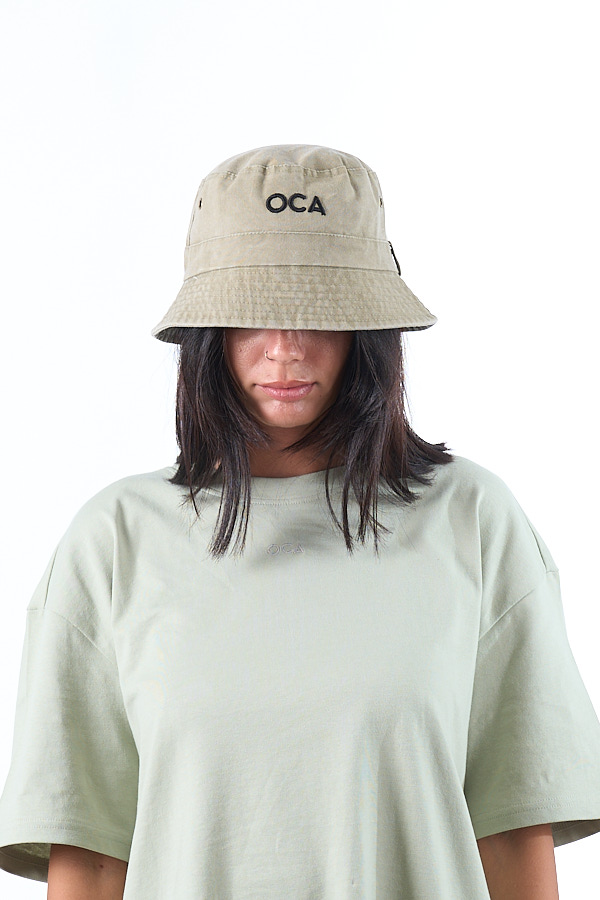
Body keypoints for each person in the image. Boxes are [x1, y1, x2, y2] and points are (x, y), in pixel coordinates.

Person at [0, 144, 599, 900]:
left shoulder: (475, 522)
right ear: (208, 331)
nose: (286, 348)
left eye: (320, 310)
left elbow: (511, 831)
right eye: (253, 312)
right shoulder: (113, 542)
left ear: (368, 329)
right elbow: (89, 854)